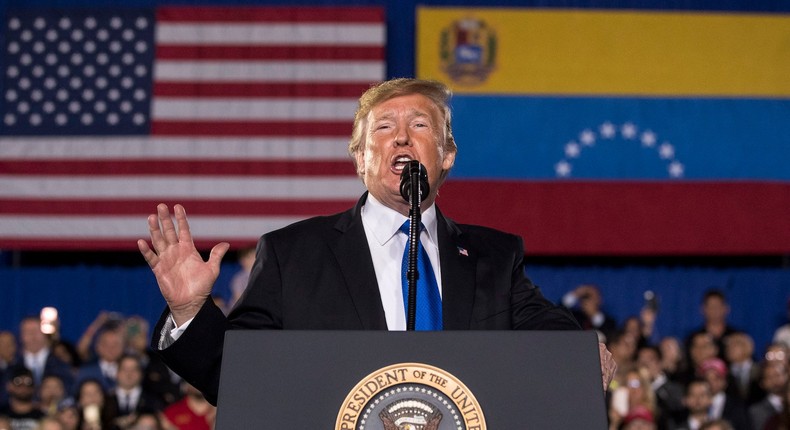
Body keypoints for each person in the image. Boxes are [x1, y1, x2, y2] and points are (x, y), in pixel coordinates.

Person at [137, 78, 617, 405]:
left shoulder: (494, 256)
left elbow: (546, 331)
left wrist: (579, 350)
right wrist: (190, 313)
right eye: (384, 129)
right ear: (360, 159)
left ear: (447, 155)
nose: (402, 139)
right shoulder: (294, 253)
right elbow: (238, 376)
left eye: (421, 126)